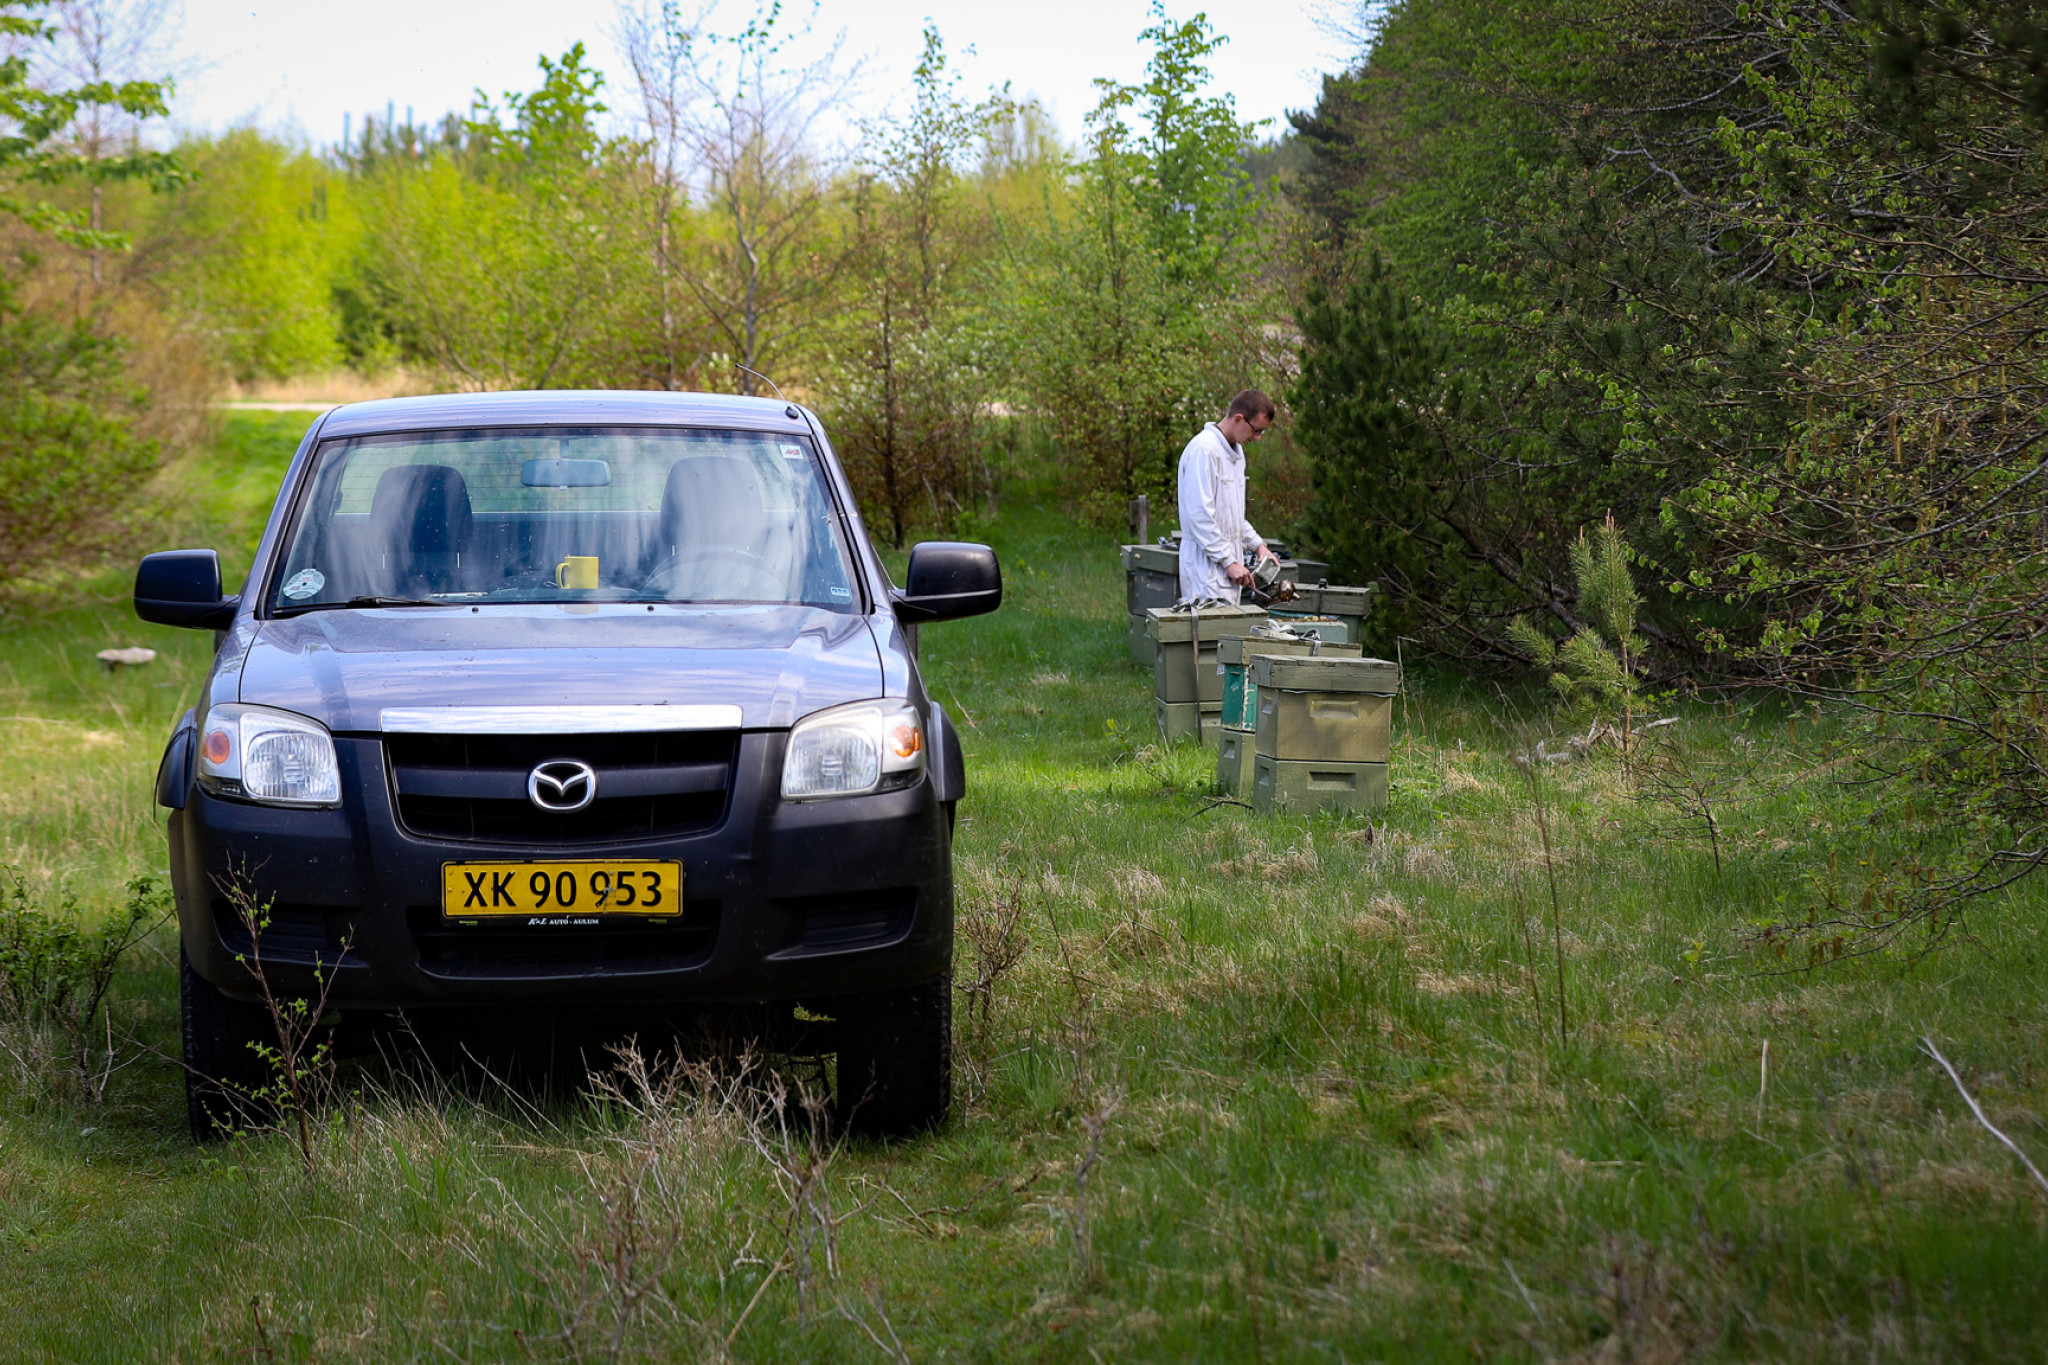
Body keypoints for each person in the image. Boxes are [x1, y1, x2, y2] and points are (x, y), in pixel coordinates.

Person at [1176, 389, 1276, 604]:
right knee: (1207, 634)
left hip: (1227, 566)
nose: (1258, 438)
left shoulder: (1236, 455)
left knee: (1226, 634)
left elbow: (1232, 515)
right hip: (1204, 567)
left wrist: (1258, 545)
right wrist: (1228, 561)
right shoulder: (1204, 450)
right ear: (1239, 418)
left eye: (1262, 433)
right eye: (1257, 430)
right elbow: (1199, 516)